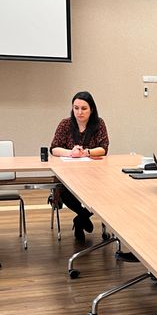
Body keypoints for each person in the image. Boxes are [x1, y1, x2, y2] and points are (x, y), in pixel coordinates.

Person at [50, 91, 109, 242]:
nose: (79, 112)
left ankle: (79, 220)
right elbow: (54, 148)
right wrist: (71, 153)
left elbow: (103, 148)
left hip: (93, 173)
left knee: (104, 193)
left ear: (92, 109)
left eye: (84, 108)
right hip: (68, 173)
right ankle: (82, 216)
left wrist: (86, 152)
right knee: (62, 189)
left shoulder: (99, 124)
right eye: (76, 108)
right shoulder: (65, 124)